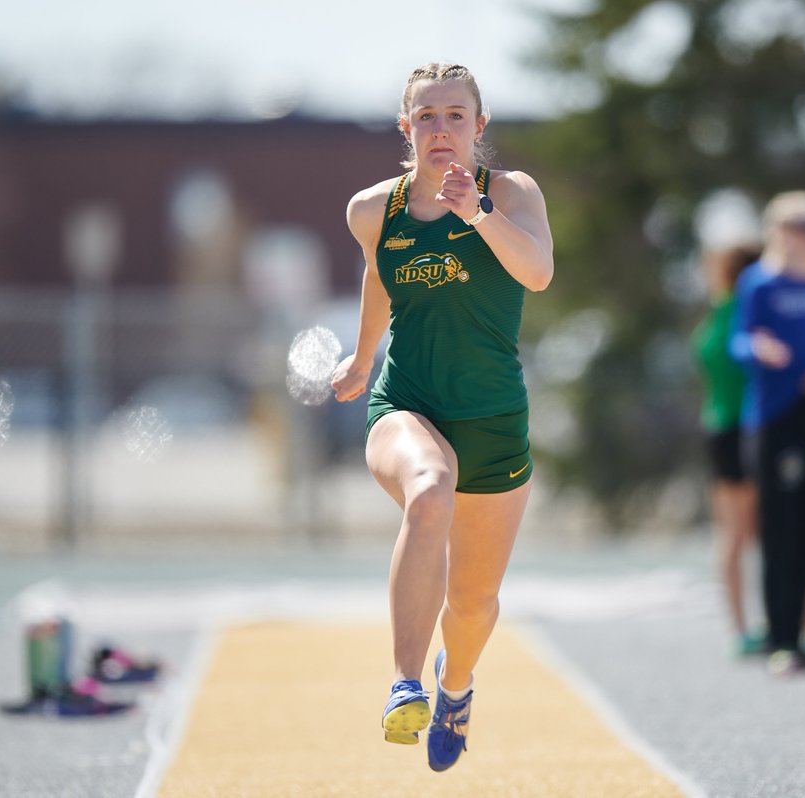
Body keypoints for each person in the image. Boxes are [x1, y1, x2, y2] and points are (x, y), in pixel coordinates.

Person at [331, 63, 553, 772]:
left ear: (478, 127)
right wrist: (363, 360)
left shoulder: (510, 193)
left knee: (474, 603)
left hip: (492, 418)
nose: (441, 129)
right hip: (409, 403)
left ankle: (455, 686)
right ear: (407, 128)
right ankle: (404, 683)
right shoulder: (375, 210)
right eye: (426, 116)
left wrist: (476, 216)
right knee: (428, 490)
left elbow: (539, 272)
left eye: (456, 116)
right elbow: (376, 274)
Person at [730, 191, 805, 674]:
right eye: (796, 224)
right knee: (780, 528)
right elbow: (739, 340)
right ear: (775, 230)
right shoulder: (759, 283)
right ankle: (782, 638)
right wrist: (758, 347)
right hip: (775, 415)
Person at [690, 243, 762, 655]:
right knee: (747, 533)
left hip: (720, 426)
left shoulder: (722, 313)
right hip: (737, 427)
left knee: (734, 534)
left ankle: (741, 626)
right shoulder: (736, 311)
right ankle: (756, 625)